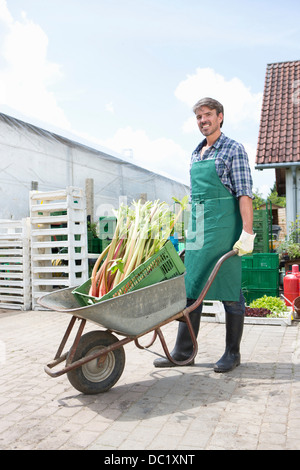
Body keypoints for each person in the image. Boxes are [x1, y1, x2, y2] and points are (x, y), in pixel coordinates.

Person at [154, 97, 256, 373]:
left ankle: (232, 354)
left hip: (224, 230)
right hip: (198, 229)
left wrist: (248, 232)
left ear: (220, 117)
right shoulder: (196, 153)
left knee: (229, 291)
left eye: (208, 115)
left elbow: (244, 193)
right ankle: (184, 352)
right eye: (199, 117)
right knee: (191, 289)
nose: (203, 121)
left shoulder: (233, 149)